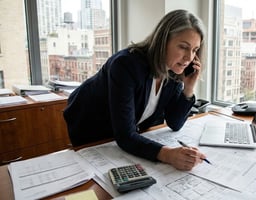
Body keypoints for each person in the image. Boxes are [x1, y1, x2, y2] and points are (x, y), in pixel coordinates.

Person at [63, 9, 207, 171]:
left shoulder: (173, 72)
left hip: (122, 136)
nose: (189, 58)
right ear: (163, 41)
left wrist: (188, 88)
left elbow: (175, 123)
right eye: (183, 47)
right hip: (91, 127)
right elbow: (125, 136)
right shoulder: (126, 65)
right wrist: (168, 155)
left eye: (195, 50)